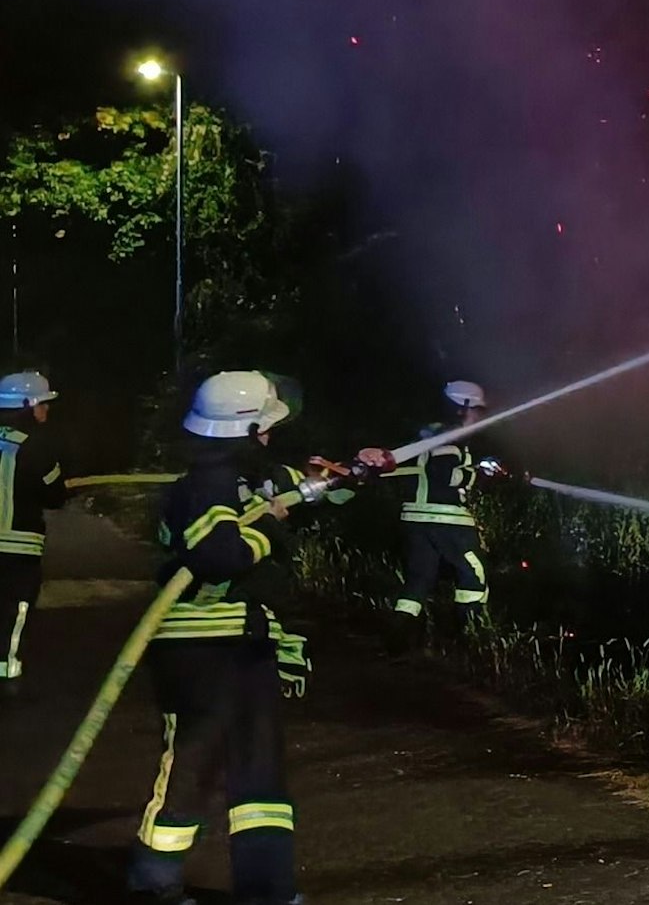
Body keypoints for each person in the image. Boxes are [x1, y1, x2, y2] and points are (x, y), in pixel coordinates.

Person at [127, 371, 391, 905]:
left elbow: (310, 487)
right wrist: (268, 527)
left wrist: (359, 473)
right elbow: (219, 554)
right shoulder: (207, 483)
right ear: (245, 430)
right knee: (193, 762)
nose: (271, 436)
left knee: (259, 776)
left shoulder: (247, 478)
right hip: (200, 646)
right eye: (264, 428)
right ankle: (155, 882)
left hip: (243, 641)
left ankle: (267, 889)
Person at [384, 380, 495, 650]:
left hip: (415, 520)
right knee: (473, 574)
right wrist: (478, 475)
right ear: (461, 408)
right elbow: (444, 473)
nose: (477, 417)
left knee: (419, 580)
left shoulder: (427, 434)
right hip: (447, 520)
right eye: (476, 411)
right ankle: (471, 640)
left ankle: (397, 638)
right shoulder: (450, 436)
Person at [0, 370, 65, 697]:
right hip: (18, 549)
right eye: (43, 404)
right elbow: (55, 497)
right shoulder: (37, 448)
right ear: (27, 406)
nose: (46, 411)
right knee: (14, 611)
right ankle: (7, 676)